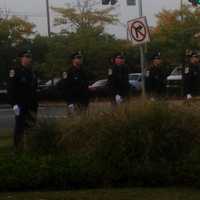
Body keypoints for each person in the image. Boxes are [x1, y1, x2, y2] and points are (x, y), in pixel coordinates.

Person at [7, 50, 38, 151]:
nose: (29, 58)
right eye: (26, 56)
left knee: (31, 127)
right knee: (19, 128)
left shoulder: (32, 72)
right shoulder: (15, 71)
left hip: (32, 104)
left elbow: (34, 89)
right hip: (20, 105)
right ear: (21, 58)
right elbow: (11, 89)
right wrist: (13, 104)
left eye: (30, 56)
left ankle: (30, 147)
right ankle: (18, 149)